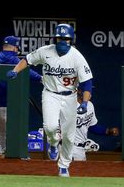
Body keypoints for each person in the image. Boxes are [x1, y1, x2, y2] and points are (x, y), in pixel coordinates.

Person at [7, 23, 93, 177]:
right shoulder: (45, 51)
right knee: (50, 126)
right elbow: (27, 60)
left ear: (71, 39)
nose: (62, 41)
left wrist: (85, 102)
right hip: (50, 94)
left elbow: (87, 83)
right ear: (55, 38)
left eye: (65, 38)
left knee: (68, 135)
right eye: (59, 38)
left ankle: (64, 165)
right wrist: (15, 70)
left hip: (70, 97)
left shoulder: (77, 57)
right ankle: (53, 143)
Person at [0, 35, 42, 153]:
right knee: (15, 140)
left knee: (2, 140)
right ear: (15, 48)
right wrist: (40, 78)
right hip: (9, 106)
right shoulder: (14, 59)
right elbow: (26, 70)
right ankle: (18, 161)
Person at [72, 91, 119, 161]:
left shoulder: (90, 105)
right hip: (66, 147)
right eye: (87, 90)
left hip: (80, 149)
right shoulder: (69, 105)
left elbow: (91, 126)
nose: (90, 92)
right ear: (79, 92)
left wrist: (107, 131)